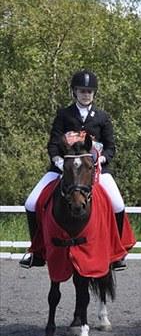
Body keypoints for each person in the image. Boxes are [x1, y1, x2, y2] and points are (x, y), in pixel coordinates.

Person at [21, 70, 128, 271]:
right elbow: (53, 144)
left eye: (89, 91)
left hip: (95, 171)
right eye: (81, 91)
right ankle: (37, 252)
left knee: (117, 204)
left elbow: (111, 146)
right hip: (63, 168)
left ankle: (116, 254)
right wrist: (59, 161)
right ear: (74, 92)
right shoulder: (64, 115)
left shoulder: (102, 117)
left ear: (94, 93)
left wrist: (102, 159)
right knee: (31, 202)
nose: (85, 94)